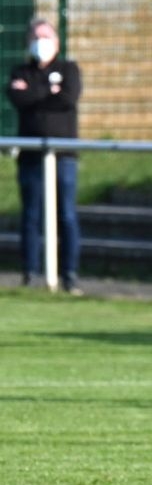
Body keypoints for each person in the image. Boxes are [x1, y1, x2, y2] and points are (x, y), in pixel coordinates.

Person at [8, 17, 81, 292]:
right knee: (31, 215)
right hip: (31, 157)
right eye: (36, 37)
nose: (42, 42)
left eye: (46, 37)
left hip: (64, 156)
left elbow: (68, 98)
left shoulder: (69, 69)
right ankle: (30, 274)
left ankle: (69, 275)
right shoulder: (20, 71)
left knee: (67, 215)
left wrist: (35, 94)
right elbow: (17, 99)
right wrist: (48, 92)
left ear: (57, 42)